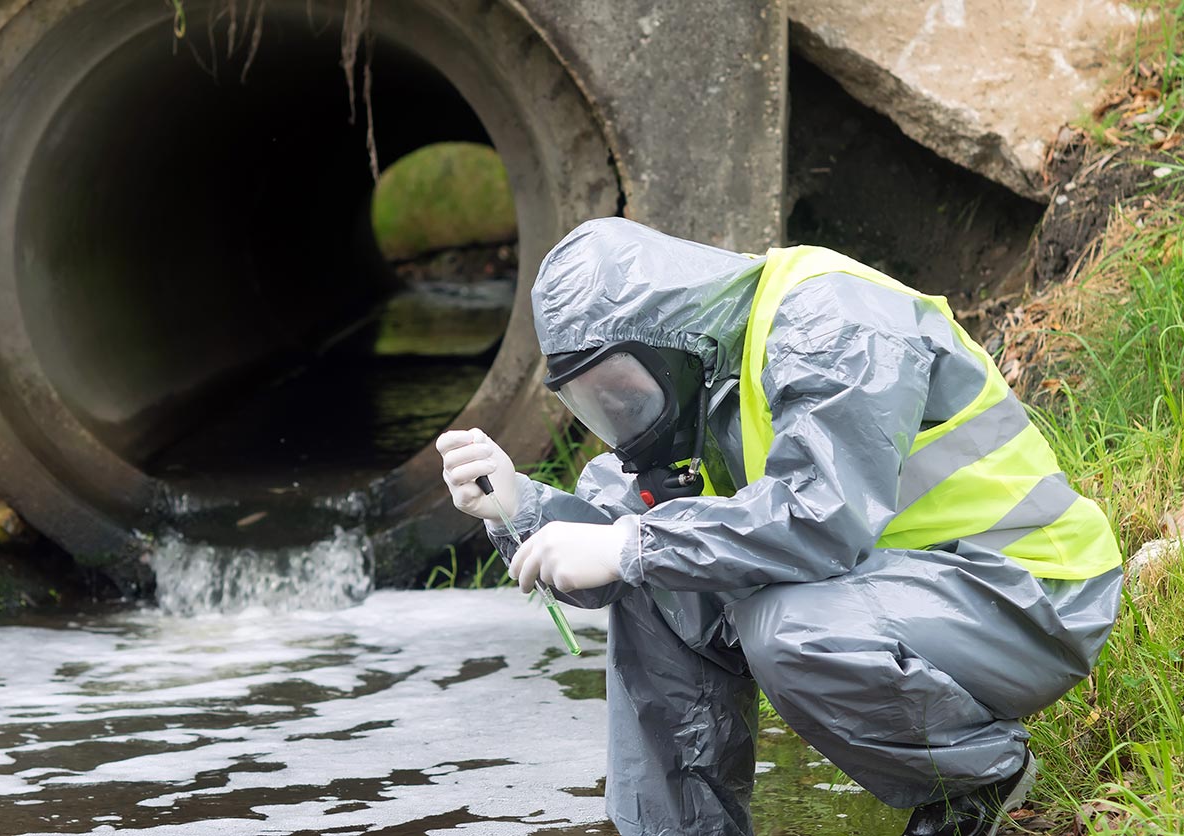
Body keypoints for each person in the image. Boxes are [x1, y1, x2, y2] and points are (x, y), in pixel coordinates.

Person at [436, 218, 1122, 836]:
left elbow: (822, 521)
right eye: (592, 403)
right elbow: (612, 565)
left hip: (1026, 593)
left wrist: (630, 545)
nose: (616, 417)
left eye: (618, 389)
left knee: (776, 619)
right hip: (905, 599)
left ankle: (974, 787)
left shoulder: (833, 320)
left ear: (662, 339)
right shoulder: (701, 386)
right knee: (654, 574)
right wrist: (521, 507)